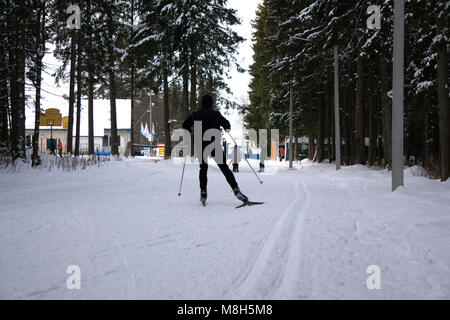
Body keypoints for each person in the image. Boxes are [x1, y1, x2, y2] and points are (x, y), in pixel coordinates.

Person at [182, 94, 248, 204]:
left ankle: (203, 191)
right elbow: (227, 125)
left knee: (203, 168)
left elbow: (185, 125)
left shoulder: (196, 115)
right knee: (224, 168)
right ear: (211, 103)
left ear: (202, 103)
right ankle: (235, 188)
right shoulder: (216, 114)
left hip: (201, 144)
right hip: (214, 144)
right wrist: (225, 127)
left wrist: (190, 131)